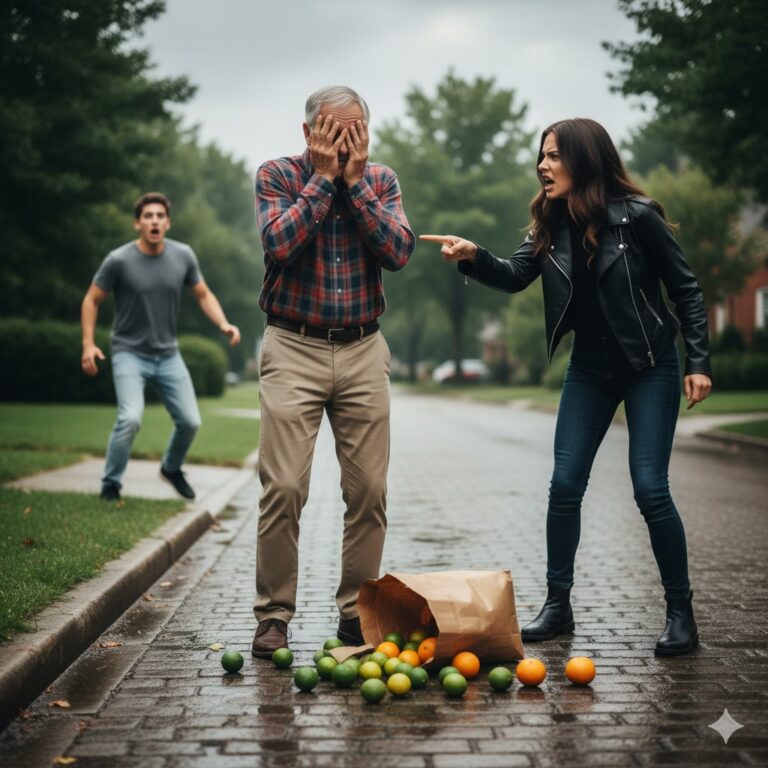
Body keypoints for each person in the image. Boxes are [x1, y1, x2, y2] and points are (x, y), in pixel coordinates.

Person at [421, 118, 712, 656]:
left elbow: (686, 289)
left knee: (650, 488)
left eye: (554, 155)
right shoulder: (550, 223)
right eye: (542, 155)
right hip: (590, 369)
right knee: (564, 485)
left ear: (584, 160)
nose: (543, 165)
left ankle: (681, 613)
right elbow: (515, 275)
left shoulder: (638, 217)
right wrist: (474, 256)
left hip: (650, 364)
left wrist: (698, 361)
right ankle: (558, 606)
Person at [251, 85, 414, 657]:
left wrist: (356, 184)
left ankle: (355, 614)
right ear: (309, 133)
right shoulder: (277, 175)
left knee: (369, 491)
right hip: (292, 346)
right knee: (284, 487)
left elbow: (398, 252)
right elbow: (279, 243)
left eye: (355, 131)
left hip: (364, 346)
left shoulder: (382, 180)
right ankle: (274, 615)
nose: (345, 143)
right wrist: (322, 180)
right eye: (333, 131)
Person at [81, 192, 241, 502]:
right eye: (148, 216)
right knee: (130, 418)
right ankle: (111, 485)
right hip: (129, 353)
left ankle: (171, 467)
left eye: (159, 216)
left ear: (167, 223)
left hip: (168, 355)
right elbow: (91, 300)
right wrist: (88, 345)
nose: (154, 221)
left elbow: (203, 294)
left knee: (190, 421)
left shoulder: (183, 256)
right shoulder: (118, 260)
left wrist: (223, 323)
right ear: (137, 224)